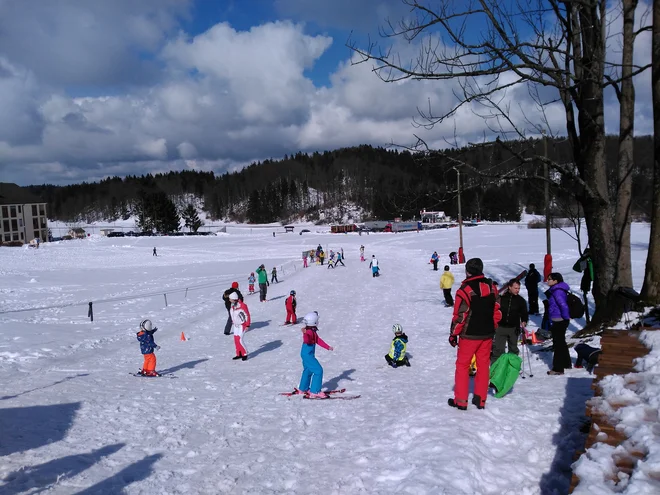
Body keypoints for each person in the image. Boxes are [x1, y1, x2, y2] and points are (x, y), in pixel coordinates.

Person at [448, 258, 501, 410]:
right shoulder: (492, 287)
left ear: (467, 271)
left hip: (469, 336)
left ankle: (461, 401)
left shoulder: (464, 290)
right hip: (487, 334)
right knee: (483, 365)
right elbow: (497, 310)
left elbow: (460, 315)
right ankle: (480, 399)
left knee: (463, 366)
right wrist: (493, 326)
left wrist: (453, 334)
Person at [293, 311, 334, 399]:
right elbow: (307, 340)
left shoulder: (312, 331)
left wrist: (327, 347)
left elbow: (318, 340)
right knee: (318, 370)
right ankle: (315, 391)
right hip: (308, 355)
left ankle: (303, 389)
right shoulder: (309, 332)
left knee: (308, 370)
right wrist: (304, 334)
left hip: (306, 354)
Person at [492, 280, 529, 362]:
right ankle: (497, 369)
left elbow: (524, 313)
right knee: (498, 350)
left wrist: (524, 321)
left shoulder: (520, 300)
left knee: (513, 350)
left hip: (513, 328)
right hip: (500, 327)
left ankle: (511, 368)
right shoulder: (501, 298)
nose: (517, 290)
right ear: (509, 287)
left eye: (518, 288)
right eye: (515, 288)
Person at [545, 273, 572, 375]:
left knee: (558, 344)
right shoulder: (556, 290)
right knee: (561, 342)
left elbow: (563, 305)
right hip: (558, 319)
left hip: (559, 320)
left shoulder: (557, 291)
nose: (548, 281)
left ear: (556, 281)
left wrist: (565, 318)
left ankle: (558, 368)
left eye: (550, 279)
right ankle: (566, 363)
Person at [229, 292, 251, 361]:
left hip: (242, 325)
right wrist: (233, 321)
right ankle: (239, 354)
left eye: (230, 299)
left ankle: (245, 354)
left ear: (234, 299)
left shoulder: (243, 306)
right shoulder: (233, 307)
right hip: (236, 325)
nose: (229, 300)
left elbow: (247, 315)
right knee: (236, 340)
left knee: (240, 340)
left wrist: (247, 324)